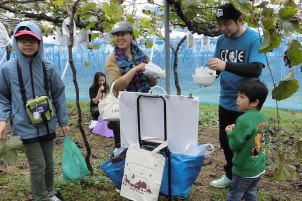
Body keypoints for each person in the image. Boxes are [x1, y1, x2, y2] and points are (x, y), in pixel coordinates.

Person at [0, 21, 69, 201]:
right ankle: (41, 197)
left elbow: (58, 94)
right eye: (23, 40)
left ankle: (50, 192)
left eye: (33, 39)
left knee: (49, 163)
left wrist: (63, 121)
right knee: (38, 165)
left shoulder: (48, 67)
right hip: (24, 125)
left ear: (39, 42)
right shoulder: (8, 69)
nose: (28, 43)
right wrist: (3, 119)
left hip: (47, 123)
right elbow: (3, 96)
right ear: (16, 42)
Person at [207, 3, 266, 188]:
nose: (223, 28)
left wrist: (226, 65)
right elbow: (219, 66)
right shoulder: (222, 40)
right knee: (226, 141)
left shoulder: (254, 38)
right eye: (219, 24)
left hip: (248, 104)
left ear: (240, 20)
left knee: (250, 144)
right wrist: (209, 75)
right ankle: (232, 176)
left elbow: (256, 68)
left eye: (227, 24)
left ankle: (251, 178)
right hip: (226, 100)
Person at [105, 21, 157, 148]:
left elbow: (153, 83)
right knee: (125, 147)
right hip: (124, 109)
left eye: (123, 34)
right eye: (116, 35)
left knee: (145, 143)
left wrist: (152, 74)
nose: (119, 38)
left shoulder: (141, 55)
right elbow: (117, 86)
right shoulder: (112, 59)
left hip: (145, 105)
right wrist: (135, 69)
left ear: (131, 35)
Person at [225, 79, 269, 201]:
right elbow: (257, 138)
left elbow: (235, 145)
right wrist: (237, 129)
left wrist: (230, 133)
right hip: (258, 167)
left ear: (255, 102)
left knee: (235, 196)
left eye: (242, 97)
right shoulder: (262, 118)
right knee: (250, 193)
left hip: (244, 170)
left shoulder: (243, 120)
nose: (237, 100)